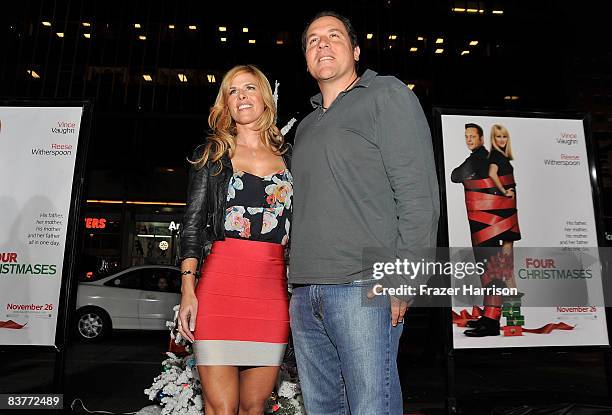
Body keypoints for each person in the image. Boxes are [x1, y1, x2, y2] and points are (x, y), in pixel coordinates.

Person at [289, 11, 439, 415]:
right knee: (322, 409)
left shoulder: (386, 94)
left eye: (333, 36)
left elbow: (418, 194)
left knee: (372, 407)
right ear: (306, 60)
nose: (322, 44)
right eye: (313, 40)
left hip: (364, 286)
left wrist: (404, 280)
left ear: (354, 50)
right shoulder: (304, 126)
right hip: (305, 293)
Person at [177, 64, 293, 415]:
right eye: (233, 91)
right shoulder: (212, 156)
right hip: (219, 290)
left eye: (250, 88)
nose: (242, 96)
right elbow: (193, 225)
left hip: (270, 295)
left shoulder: (291, 158)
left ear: (265, 97)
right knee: (222, 407)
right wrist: (188, 290)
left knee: (254, 406)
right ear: (225, 104)